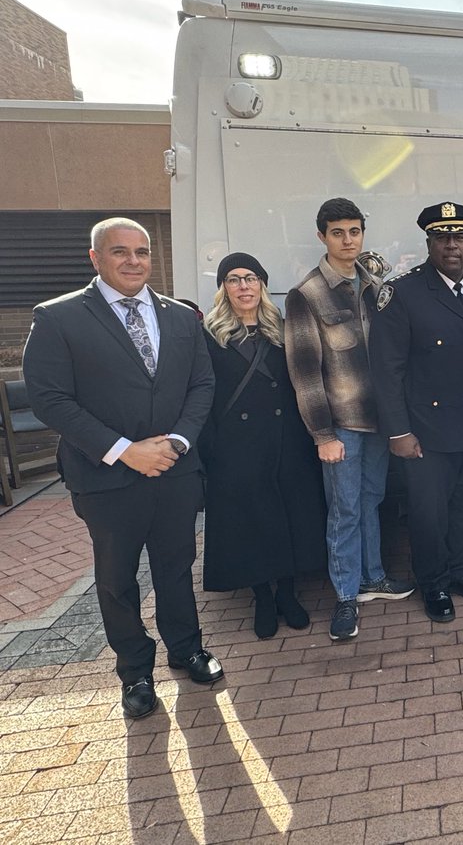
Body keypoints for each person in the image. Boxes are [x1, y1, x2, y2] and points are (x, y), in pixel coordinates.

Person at [23, 217, 222, 719]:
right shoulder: (58, 318)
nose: (133, 261)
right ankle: (134, 670)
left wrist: (176, 441)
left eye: (141, 252)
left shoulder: (181, 317)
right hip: (105, 476)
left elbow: (201, 385)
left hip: (174, 471)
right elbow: (49, 399)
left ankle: (186, 648)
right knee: (117, 578)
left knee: (176, 567)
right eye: (120, 252)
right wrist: (123, 449)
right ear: (95, 258)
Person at [370, 202, 463, 623]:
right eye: (442, 237)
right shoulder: (403, 293)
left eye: (460, 237)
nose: (452, 245)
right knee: (429, 512)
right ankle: (433, 582)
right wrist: (398, 430)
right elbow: (386, 369)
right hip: (428, 428)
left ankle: (458, 571)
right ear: (429, 242)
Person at [285, 198, 414, 642]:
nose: (348, 240)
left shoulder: (375, 284)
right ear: (322, 236)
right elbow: (304, 374)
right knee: (343, 510)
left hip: (378, 422)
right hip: (340, 426)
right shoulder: (307, 295)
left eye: (354, 231)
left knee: (371, 500)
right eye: (338, 232)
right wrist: (322, 434)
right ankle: (344, 596)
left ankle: (373, 578)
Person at [199, 253, 327, 639]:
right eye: (234, 279)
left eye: (251, 278)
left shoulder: (283, 328)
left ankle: (287, 594)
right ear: (224, 287)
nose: (243, 286)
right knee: (252, 523)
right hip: (237, 446)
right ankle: (263, 598)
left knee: (288, 516)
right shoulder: (208, 333)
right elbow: (202, 394)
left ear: (262, 284)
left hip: (286, 438)